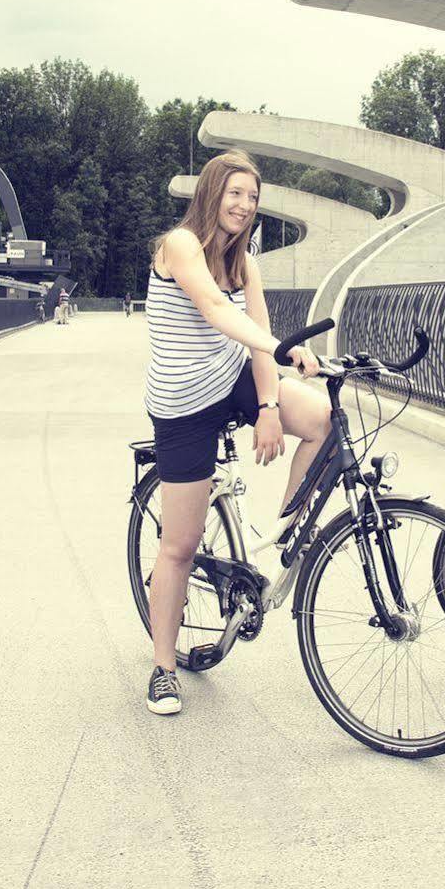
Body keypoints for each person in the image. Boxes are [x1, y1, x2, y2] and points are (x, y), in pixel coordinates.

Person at [142, 150, 328, 716]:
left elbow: (256, 337)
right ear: (212, 194)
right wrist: (282, 347)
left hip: (230, 380)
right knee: (179, 546)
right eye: (236, 194)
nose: (245, 206)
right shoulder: (180, 245)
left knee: (320, 419)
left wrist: (269, 404)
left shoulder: (247, 264)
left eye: (253, 198)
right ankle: (162, 668)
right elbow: (215, 312)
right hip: (182, 406)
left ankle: (280, 541)